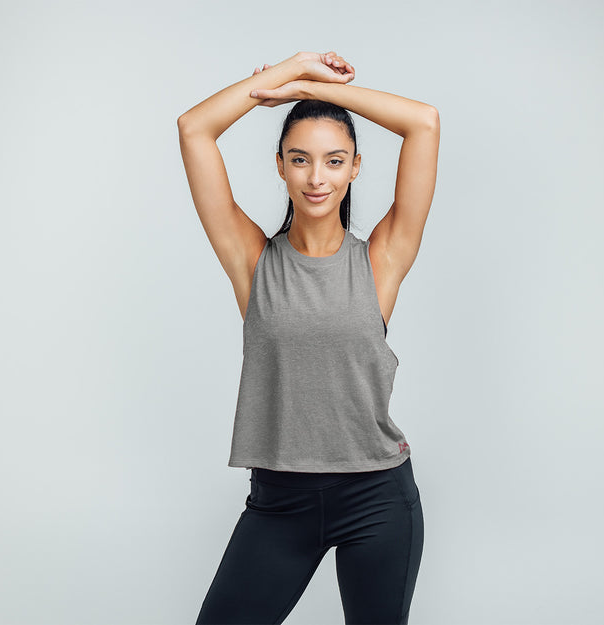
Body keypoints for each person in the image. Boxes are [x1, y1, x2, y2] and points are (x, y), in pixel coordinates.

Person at [177, 50, 439, 624]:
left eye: (333, 160)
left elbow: (423, 121)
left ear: (354, 168)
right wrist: (291, 74)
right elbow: (194, 129)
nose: (317, 177)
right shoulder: (252, 261)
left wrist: (318, 91)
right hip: (279, 501)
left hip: (377, 498)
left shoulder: (381, 261)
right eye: (300, 160)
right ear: (280, 167)